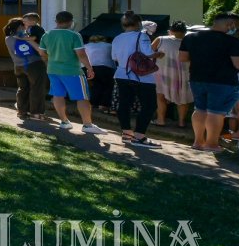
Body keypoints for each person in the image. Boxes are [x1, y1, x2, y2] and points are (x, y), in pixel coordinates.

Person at [180, 12, 239, 152]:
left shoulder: (191, 37)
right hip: (223, 81)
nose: (236, 30)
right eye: (236, 26)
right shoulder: (233, 42)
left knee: (200, 109)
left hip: (197, 78)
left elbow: (182, 58)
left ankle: (198, 142)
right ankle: (211, 144)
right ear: (230, 24)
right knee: (216, 112)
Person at [36, 11, 106, 134]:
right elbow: (81, 54)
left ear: (56, 21)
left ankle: (64, 121)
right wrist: (89, 68)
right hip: (72, 70)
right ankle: (87, 124)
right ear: (70, 22)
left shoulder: (46, 35)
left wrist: (51, 59)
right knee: (82, 97)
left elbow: (42, 53)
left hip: (53, 69)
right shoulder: (74, 35)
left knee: (58, 95)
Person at [110, 13, 162, 148]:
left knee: (124, 104)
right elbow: (147, 53)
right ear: (139, 23)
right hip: (141, 76)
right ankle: (139, 136)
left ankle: (127, 133)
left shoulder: (117, 38)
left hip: (122, 74)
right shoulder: (142, 36)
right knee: (149, 105)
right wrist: (157, 54)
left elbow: (114, 57)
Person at [5, 17, 48, 122]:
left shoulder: (8, 38)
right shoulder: (26, 37)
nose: (27, 27)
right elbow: (40, 50)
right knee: (37, 88)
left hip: (18, 66)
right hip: (34, 65)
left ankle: (22, 111)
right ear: (20, 26)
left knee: (23, 88)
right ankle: (36, 113)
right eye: (25, 25)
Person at [153, 21, 192, 127]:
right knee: (183, 99)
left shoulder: (161, 39)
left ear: (170, 30)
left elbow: (148, 52)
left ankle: (160, 120)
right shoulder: (190, 41)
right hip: (183, 74)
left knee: (161, 96)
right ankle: (181, 122)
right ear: (185, 32)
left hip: (162, 73)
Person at [82, 35, 116, 114]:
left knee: (95, 85)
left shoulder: (86, 46)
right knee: (108, 86)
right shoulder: (109, 46)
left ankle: (93, 103)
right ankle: (103, 105)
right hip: (105, 67)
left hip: (88, 67)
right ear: (103, 39)